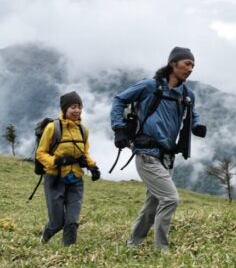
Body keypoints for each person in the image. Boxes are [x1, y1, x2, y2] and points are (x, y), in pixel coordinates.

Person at [110, 47, 206, 251]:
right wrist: (119, 128)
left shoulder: (187, 94)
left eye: (193, 66)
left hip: (168, 156)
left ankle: (133, 244)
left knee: (152, 205)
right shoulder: (150, 86)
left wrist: (196, 125)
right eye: (187, 64)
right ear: (173, 63)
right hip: (146, 153)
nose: (190, 69)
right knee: (170, 198)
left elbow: (192, 113)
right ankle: (162, 249)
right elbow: (119, 99)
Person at [37, 91, 100, 246]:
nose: (77, 110)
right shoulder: (53, 128)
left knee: (72, 220)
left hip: (76, 179)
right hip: (55, 179)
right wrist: (56, 161)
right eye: (73, 107)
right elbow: (40, 153)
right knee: (57, 222)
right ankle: (44, 239)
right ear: (65, 109)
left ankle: (68, 251)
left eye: (79, 107)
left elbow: (84, 152)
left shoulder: (83, 130)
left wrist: (93, 167)